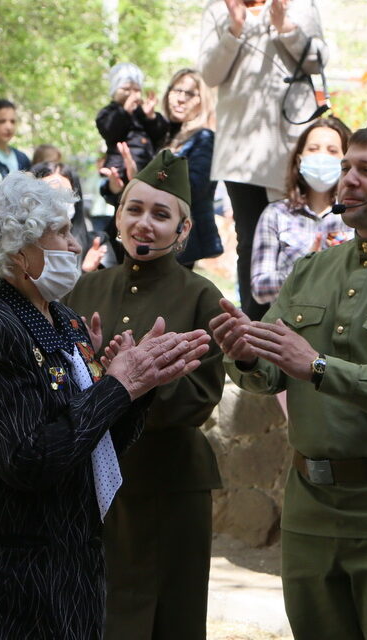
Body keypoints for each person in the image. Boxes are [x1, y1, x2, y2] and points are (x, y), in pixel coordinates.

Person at [213, 105, 367, 639]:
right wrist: (247, 352)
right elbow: (268, 373)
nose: (347, 179)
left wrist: (320, 367)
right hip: (309, 507)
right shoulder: (313, 269)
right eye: (347, 166)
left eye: (366, 170)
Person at [0, 172, 210, 640]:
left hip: (67, 566)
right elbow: (29, 459)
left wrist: (135, 388)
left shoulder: (62, 317)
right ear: (20, 252)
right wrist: (118, 385)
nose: (75, 243)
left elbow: (95, 442)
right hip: (8, 581)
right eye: (61, 232)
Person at [64, 150, 225, 640]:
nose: (144, 224)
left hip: (167, 486)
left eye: (161, 214)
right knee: (96, 613)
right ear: (117, 217)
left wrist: (143, 380)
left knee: (166, 619)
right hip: (90, 488)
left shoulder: (202, 296)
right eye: (134, 210)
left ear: (183, 229)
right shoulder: (83, 289)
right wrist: (91, 369)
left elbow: (201, 395)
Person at [199, 0, 326, 320]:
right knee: (251, 242)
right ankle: (253, 332)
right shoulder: (218, 9)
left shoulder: (298, 5)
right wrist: (235, 29)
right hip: (240, 153)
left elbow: (319, 60)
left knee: (302, 234)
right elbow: (210, 74)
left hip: (294, 145)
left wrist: (286, 27)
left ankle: (306, 320)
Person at [250, 116, 353, 304]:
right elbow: (260, 289)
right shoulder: (276, 214)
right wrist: (304, 267)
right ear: (300, 158)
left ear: (345, 161)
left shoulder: (355, 215)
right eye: (313, 149)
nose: (322, 156)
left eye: (332, 151)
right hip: (288, 325)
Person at [163, 68, 224, 266]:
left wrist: (158, 176)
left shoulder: (205, 138)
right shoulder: (164, 133)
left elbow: (195, 187)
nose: (181, 99)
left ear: (202, 100)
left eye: (189, 93)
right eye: (176, 90)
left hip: (183, 238)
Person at [96, 62, 169, 179]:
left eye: (136, 90)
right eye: (125, 89)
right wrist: (125, 112)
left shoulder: (142, 113)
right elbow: (110, 132)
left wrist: (151, 117)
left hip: (146, 170)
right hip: (120, 170)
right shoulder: (108, 112)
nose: (131, 93)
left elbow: (161, 134)